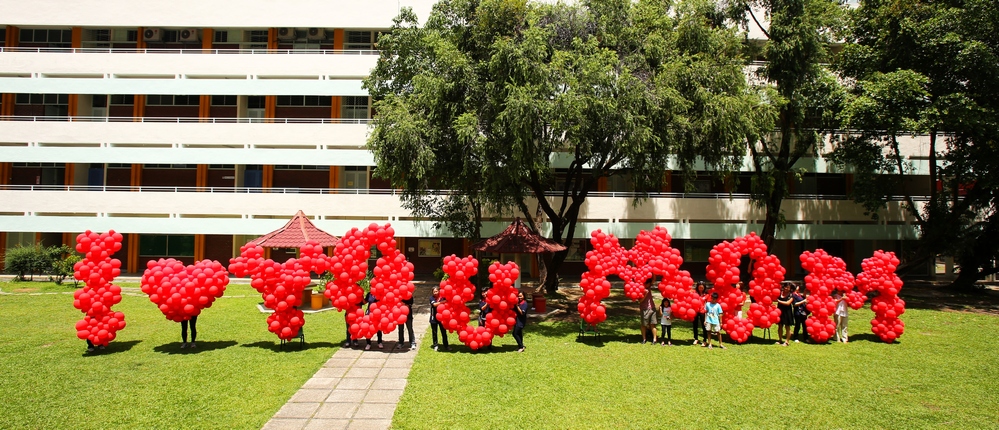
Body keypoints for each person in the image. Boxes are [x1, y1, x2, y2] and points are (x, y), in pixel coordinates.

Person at [429, 286, 450, 351]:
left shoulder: (443, 297)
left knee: (443, 332)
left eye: (436, 291)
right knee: (434, 332)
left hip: (442, 318)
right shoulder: (431, 298)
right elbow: (434, 304)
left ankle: (446, 346)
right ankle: (435, 345)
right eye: (434, 292)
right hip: (434, 318)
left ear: (439, 291)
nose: (435, 293)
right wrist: (442, 302)